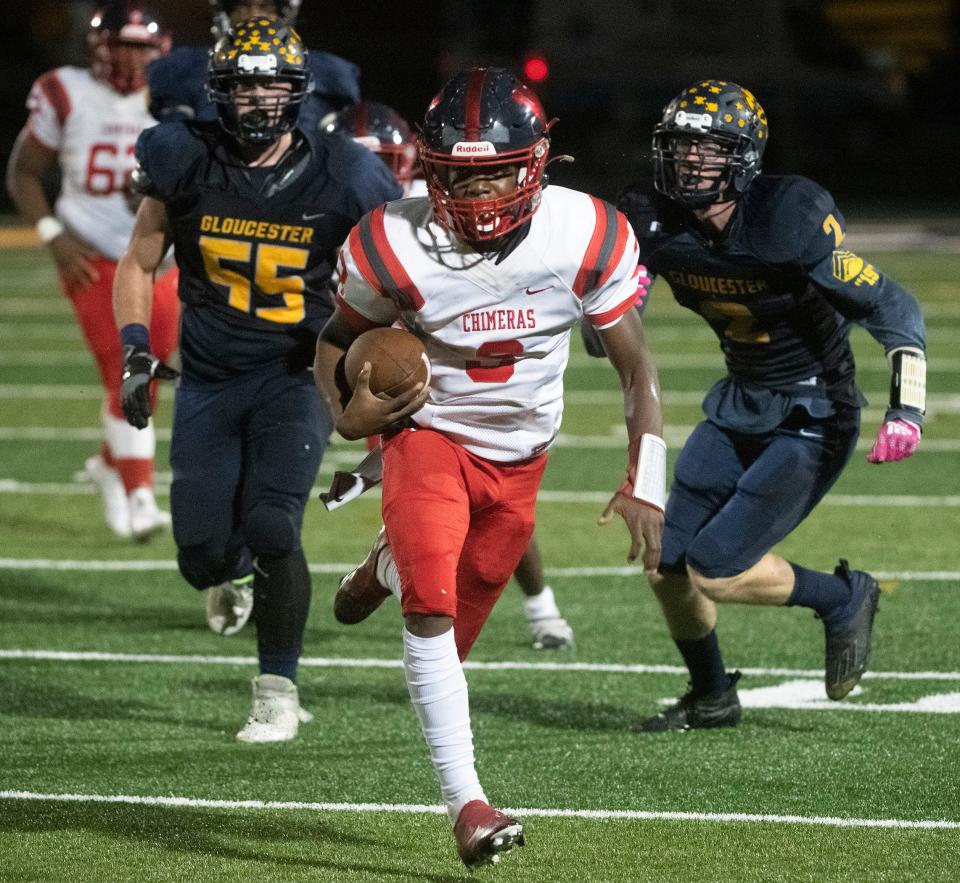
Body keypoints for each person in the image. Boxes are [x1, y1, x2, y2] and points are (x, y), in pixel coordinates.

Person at [314, 67, 663, 868]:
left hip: (522, 459)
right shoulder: (390, 241)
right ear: (430, 172)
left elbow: (637, 372)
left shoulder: (587, 234)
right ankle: (467, 804)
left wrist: (646, 480)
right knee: (431, 620)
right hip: (429, 437)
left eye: (499, 170)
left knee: (456, 639)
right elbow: (335, 339)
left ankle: (385, 561)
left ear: (537, 162)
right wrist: (345, 414)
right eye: (462, 176)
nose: (482, 195)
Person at [592, 80, 926, 731]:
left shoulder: (786, 216)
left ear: (742, 156)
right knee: (664, 559)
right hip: (741, 402)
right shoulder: (650, 215)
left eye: (708, 149)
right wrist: (613, 306)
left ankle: (842, 596)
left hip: (815, 411)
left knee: (715, 568)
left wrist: (905, 407)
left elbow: (893, 305)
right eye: (681, 146)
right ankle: (712, 694)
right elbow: (613, 311)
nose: (690, 162)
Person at [113, 16, 401, 740]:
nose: (257, 98)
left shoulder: (345, 172)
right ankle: (231, 571)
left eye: (272, 82)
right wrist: (136, 348)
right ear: (217, 92)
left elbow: (399, 274)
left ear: (299, 89)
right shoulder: (183, 156)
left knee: (274, 522)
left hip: (296, 373)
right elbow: (140, 259)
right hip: (208, 375)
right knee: (202, 553)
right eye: (241, 84)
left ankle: (278, 686)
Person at [321, 98, 576, 650]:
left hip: (478, 394)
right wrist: (344, 402)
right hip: (401, 385)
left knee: (490, 517)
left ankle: (533, 601)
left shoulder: (432, 221)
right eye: (358, 162)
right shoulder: (345, 218)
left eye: (387, 162)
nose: (376, 176)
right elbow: (336, 324)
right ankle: (402, 562)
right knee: (432, 524)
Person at [5, 1, 178, 541]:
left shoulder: (176, 99)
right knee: (127, 369)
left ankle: (110, 465)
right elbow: (24, 173)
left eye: (143, 48)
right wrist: (54, 236)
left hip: (160, 254)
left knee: (146, 378)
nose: (133, 58)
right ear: (99, 48)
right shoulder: (66, 89)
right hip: (93, 253)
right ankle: (141, 494)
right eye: (123, 46)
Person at [147, 0, 359, 129]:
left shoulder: (327, 71)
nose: (253, 15)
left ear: (283, 15)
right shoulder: (185, 66)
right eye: (243, 6)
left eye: (265, 6)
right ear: (225, 13)